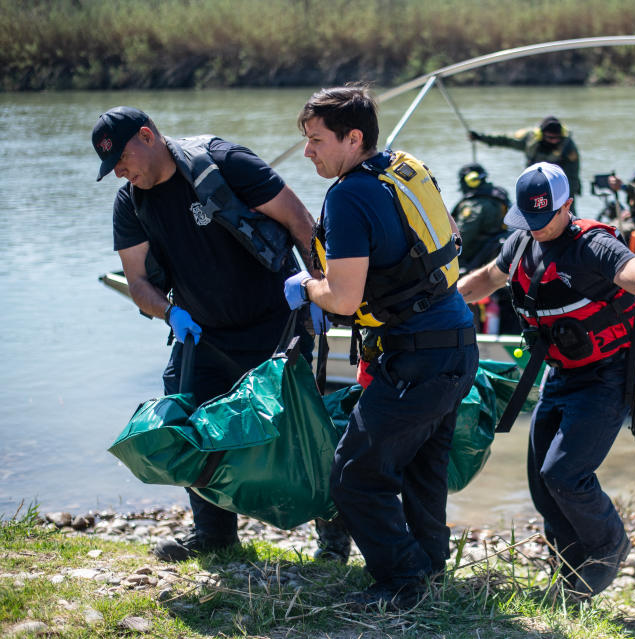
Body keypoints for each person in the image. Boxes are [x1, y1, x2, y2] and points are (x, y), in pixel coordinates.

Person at [92, 106, 323, 561]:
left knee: (301, 430)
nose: (120, 170)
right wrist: (169, 312)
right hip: (202, 336)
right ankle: (215, 535)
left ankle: (333, 540)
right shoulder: (130, 201)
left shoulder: (224, 162)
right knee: (190, 427)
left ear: (147, 135)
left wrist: (323, 292)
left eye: (122, 158)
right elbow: (138, 282)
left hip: (276, 324)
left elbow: (300, 222)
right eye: (112, 166)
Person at [283, 85, 480, 609]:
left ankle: (403, 582)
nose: (308, 152)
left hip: (418, 357)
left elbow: (343, 298)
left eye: (317, 140)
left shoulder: (347, 195)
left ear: (353, 138)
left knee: (353, 476)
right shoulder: (403, 167)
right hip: (457, 342)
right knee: (420, 470)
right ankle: (429, 571)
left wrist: (306, 288)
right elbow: (448, 238)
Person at [457, 162, 635, 601]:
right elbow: (487, 279)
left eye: (543, 219)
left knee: (565, 474)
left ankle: (609, 546)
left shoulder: (593, 247)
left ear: (567, 207)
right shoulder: (521, 241)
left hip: (605, 377)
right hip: (559, 374)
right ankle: (570, 578)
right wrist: (441, 302)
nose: (535, 229)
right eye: (528, 220)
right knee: (543, 484)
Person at [469, 115, 581, 205]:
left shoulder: (568, 147)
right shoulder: (530, 139)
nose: (554, 141)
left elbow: (572, 175)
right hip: (534, 185)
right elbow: (505, 139)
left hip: (560, 188)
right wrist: (480, 137)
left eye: (557, 138)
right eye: (551, 138)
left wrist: (565, 197)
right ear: (541, 135)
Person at [451, 163, 510, 272]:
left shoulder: (474, 205)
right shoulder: (500, 195)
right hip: (493, 251)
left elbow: (461, 237)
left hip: (476, 257)